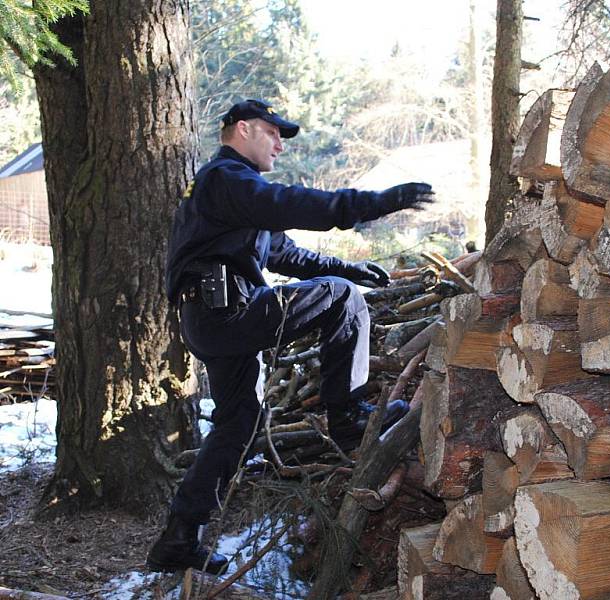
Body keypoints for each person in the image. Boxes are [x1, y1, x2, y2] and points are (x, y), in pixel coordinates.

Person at [146, 99, 434, 575]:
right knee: (341, 300)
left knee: (237, 424)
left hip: (213, 319)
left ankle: (178, 537)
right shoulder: (226, 180)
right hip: (226, 313)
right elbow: (294, 204)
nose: (280, 145)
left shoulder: (234, 198)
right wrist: (374, 203)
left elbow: (285, 253)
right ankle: (349, 418)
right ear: (242, 130)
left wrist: (349, 267)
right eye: (273, 133)